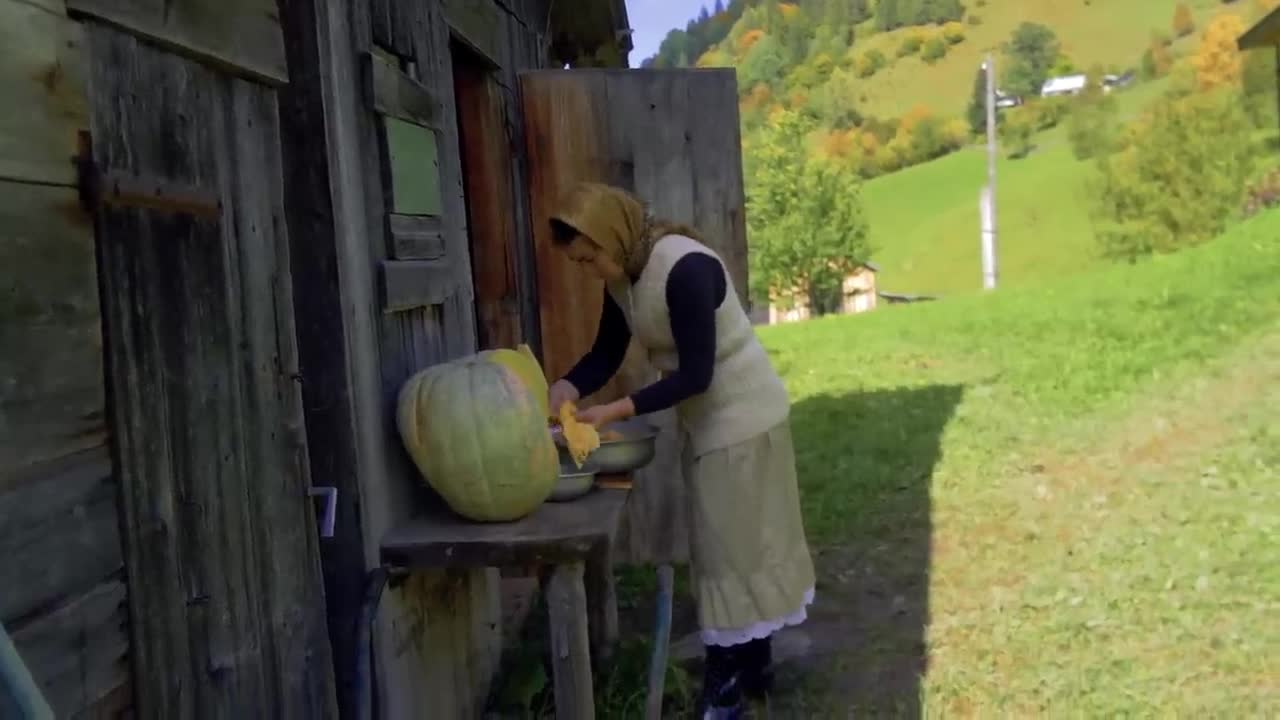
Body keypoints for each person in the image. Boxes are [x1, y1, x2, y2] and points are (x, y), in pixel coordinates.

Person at [545, 182, 816, 718]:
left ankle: (724, 689)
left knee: (728, 552)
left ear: (613, 235)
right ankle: (755, 666)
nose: (589, 268)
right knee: (737, 544)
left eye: (590, 256)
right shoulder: (624, 276)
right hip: (712, 425)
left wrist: (616, 410)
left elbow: (696, 374)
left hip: (745, 419)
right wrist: (567, 387)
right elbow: (606, 351)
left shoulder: (686, 269)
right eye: (579, 263)